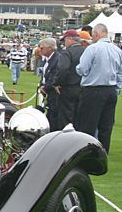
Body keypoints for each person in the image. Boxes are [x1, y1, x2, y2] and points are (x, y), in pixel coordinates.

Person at [75, 23, 122, 153]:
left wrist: (80, 70)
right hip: (111, 90)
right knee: (106, 126)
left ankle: (86, 152)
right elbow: (120, 72)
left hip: (93, 89)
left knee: (87, 124)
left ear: (95, 34)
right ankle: (103, 153)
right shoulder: (117, 50)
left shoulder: (92, 48)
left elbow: (82, 68)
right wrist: (117, 86)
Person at [50, 30, 84, 131]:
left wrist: (56, 83)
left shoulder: (67, 53)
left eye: (64, 40)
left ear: (70, 39)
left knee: (65, 118)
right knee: (79, 118)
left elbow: (63, 69)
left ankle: (66, 142)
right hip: (83, 88)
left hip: (68, 88)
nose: (63, 43)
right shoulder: (86, 51)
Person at [37, 37, 61, 129]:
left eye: (42, 48)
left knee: (53, 116)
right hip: (48, 92)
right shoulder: (48, 59)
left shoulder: (57, 59)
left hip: (54, 93)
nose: (40, 50)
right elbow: (45, 75)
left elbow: (54, 75)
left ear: (50, 48)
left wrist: (45, 88)